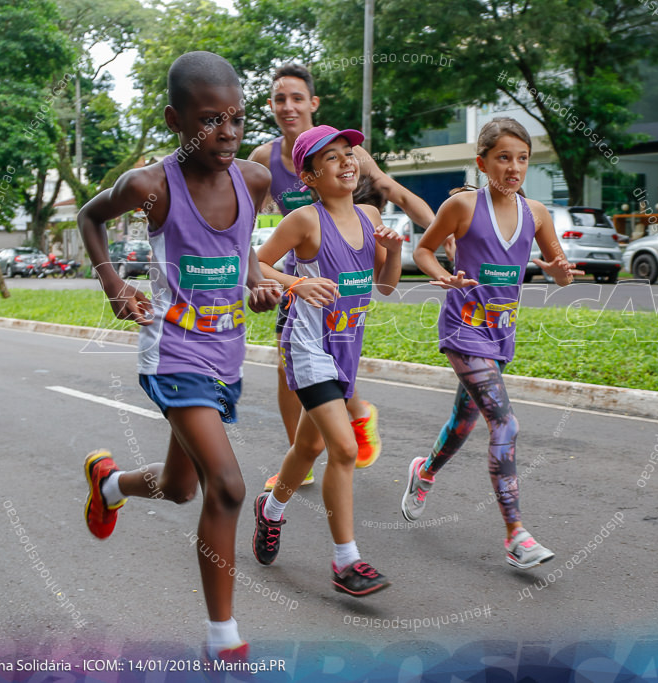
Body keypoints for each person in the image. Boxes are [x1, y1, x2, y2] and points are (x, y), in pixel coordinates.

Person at [76, 51, 281, 662]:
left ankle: (109, 483)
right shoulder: (150, 187)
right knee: (228, 486)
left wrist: (256, 282)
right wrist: (115, 285)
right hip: (172, 352)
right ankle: (224, 640)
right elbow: (90, 217)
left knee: (181, 486)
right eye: (209, 120)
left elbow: (243, 247)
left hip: (227, 352)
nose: (227, 133)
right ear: (174, 119)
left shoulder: (254, 180)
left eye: (237, 119)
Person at [248, 64, 442, 491]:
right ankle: (299, 459)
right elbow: (242, 209)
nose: (288, 106)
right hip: (303, 271)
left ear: (313, 103)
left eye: (297, 97)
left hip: (348, 271)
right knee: (291, 369)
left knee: (335, 359)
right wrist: (258, 270)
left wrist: (440, 235)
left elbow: (396, 193)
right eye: (280, 98)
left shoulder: (352, 162)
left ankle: (354, 415)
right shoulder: (264, 159)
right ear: (271, 106)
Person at [400, 117, 582, 569]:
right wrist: (443, 276)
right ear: (483, 163)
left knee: (463, 421)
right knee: (505, 424)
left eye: (522, 159)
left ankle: (423, 473)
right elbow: (424, 249)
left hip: (501, 335)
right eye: (503, 158)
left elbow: (558, 271)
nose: (513, 168)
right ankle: (516, 535)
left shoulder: (537, 214)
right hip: (463, 332)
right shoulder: (463, 207)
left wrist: (560, 273)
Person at [252, 125, 403, 596]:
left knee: (310, 448)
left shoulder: (369, 213)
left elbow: (386, 285)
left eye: (349, 153)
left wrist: (394, 253)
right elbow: (253, 264)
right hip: (308, 345)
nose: (346, 162)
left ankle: (270, 510)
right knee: (343, 449)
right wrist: (294, 283)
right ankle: (346, 562)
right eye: (331, 157)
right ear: (309, 176)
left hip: (347, 349)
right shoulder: (304, 221)